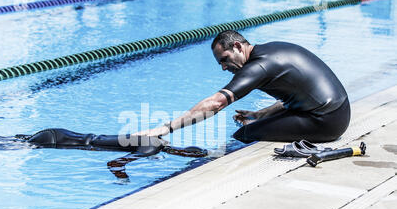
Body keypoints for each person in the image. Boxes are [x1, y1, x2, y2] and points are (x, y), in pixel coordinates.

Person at [134, 30, 350, 144]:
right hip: (337, 110)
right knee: (256, 123)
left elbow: (216, 103)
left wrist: (165, 128)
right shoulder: (271, 50)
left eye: (225, 59)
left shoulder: (258, 67)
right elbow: (295, 94)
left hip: (327, 121)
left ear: (237, 46)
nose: (224, 67)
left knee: (244, 134)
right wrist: (260, 113)